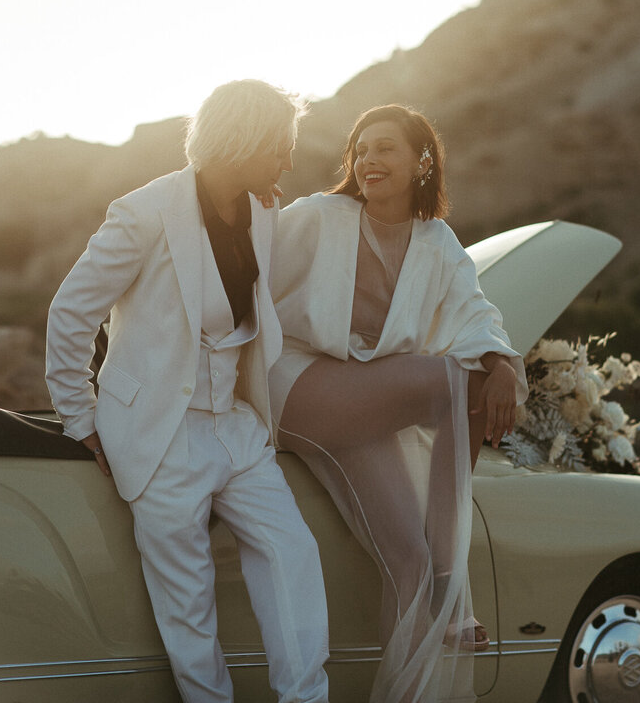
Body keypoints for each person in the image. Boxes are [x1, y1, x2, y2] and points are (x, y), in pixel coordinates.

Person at [46, 80, 330, 703]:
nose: (287, 161)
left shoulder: (261, 209)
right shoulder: (143, 212)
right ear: (243, 141)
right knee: (188, 606)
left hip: (237, 425)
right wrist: (80, 418)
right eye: (279, 147)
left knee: (294, 556)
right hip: (158, 434)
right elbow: (71, 312)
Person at [269, 104, 527, 703]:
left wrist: (506, 363)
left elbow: (476, 310)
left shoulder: (437, 241)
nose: (367, 161)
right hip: (298, 385)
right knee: (457, 381)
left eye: (384, 148)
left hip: (360, 406)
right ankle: (451, 583)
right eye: (360, 150)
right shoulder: (317, 217)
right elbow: (243, 278)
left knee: (404, 560)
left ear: (422, 161)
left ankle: (410, 676)